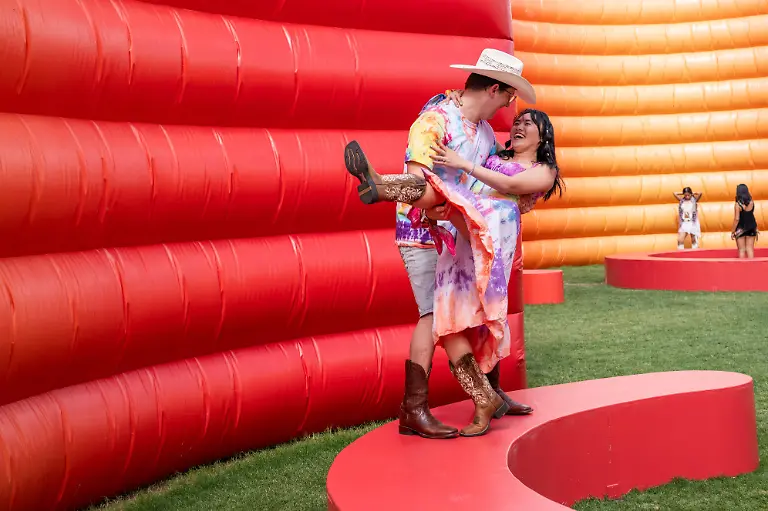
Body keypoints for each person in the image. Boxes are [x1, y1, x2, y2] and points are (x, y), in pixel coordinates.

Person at [344, 49, 560, 437]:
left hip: (462, 236)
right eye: (510, 97)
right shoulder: (435, 120)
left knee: (481, 308)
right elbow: (420, 179)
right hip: (425, 234)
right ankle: (415, 409)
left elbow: (493, 183)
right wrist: (436, 211)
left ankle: (490, 393)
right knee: (434, 317)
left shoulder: (486, 135)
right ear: (495, 89)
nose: (511, 106)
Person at [731, 183, 758, 258]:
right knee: (750, 249)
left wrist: (733, 231)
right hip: (751, 227)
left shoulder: (737, 205)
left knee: (741, 250)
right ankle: (752, 267)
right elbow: (751, 215)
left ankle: (742, 268)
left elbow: (736, 219)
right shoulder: (751, 202)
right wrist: (756, 227)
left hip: (741, 228)